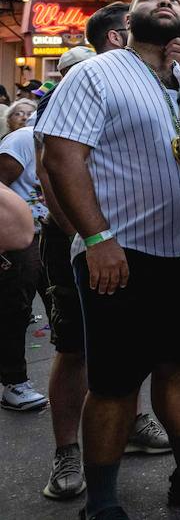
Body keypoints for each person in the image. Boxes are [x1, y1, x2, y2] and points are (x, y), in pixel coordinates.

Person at [39, 0, 180, 520]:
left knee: (179, 367)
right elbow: (61, 158)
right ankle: (102, 502)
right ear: (129, 18)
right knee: (115, 383)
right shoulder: (95, 73)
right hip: (120, 255)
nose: (165, 0)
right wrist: (97, 239)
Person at [0, 98, 48, 414]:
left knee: (65, 309)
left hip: (55, 233)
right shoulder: (23, 139)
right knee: (16, 307)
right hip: (21, 235)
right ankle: (14, 383)